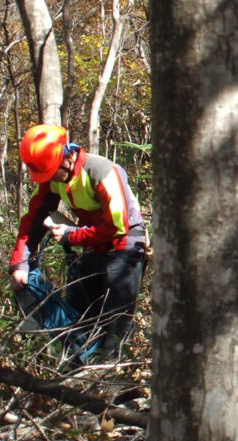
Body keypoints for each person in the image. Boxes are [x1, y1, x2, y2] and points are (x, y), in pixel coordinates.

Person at [9, 123, 148, 363]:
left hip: (125, 248)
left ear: (66, 158)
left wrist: (72, 235)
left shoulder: (102, 171)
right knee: (81, 318)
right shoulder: (54, 180)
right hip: (93, 245)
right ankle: (79, 371)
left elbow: (119, 225)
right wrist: (20, 263)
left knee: (114, 324)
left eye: (52, 172)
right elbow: (33, 219)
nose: (50, 179)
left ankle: (112, 379)